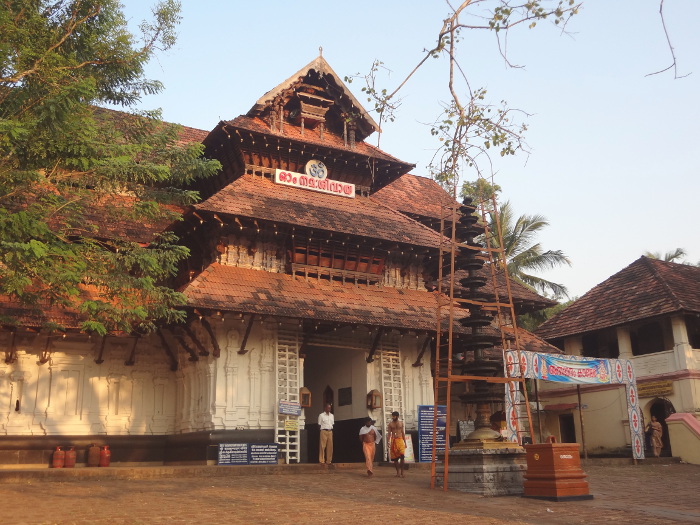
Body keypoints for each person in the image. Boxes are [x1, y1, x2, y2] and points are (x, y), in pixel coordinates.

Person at [387, 411, 407, 478]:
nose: (393, 417)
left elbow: (403, 433)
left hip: (400, 440)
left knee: (402, 456)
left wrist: (405, 442)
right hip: (393, 441)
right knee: (395, 459)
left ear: (397, 416)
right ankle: (398, 472)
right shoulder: (390, 424)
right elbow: (389, 433)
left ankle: (402, 472)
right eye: (392, 416)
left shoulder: (401, 423)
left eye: (394, 416)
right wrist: (388, 441)